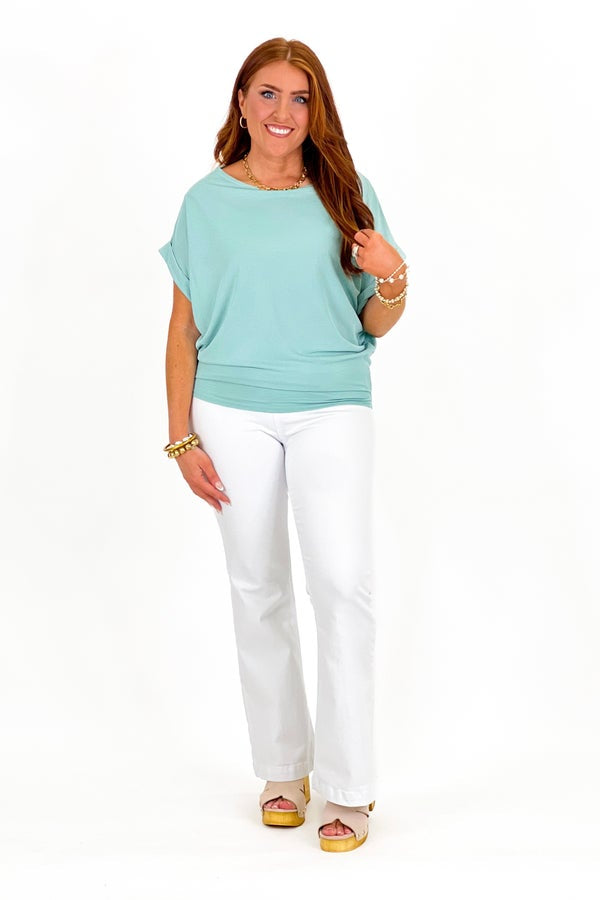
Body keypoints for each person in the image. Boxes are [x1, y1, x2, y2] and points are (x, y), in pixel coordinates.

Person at [158, 36, 409, 853]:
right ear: (242, 101)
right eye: (267, 93)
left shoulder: (346, 193)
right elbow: (183, 329)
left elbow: (376, 320)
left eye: (300, 98)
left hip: (332, 404)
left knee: (343, 586)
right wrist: (181, 436)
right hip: (230, 411)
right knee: (257, 588)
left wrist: (393, 273)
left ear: (316, 111)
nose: (282, 112)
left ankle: (349, 788)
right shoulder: (205, 203)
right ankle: (281, 770)